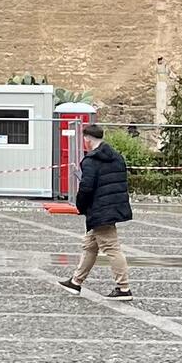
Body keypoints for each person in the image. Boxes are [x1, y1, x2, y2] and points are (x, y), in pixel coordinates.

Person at [60, 122, 132, 298]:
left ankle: (123, 288)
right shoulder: (116, 157)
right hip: (113, 206)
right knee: (90, 246)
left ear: (87, 139)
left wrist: (80, 206)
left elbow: (86, 187)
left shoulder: (91, 160)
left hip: (100, 210)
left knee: (111, 247)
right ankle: (76, 282)